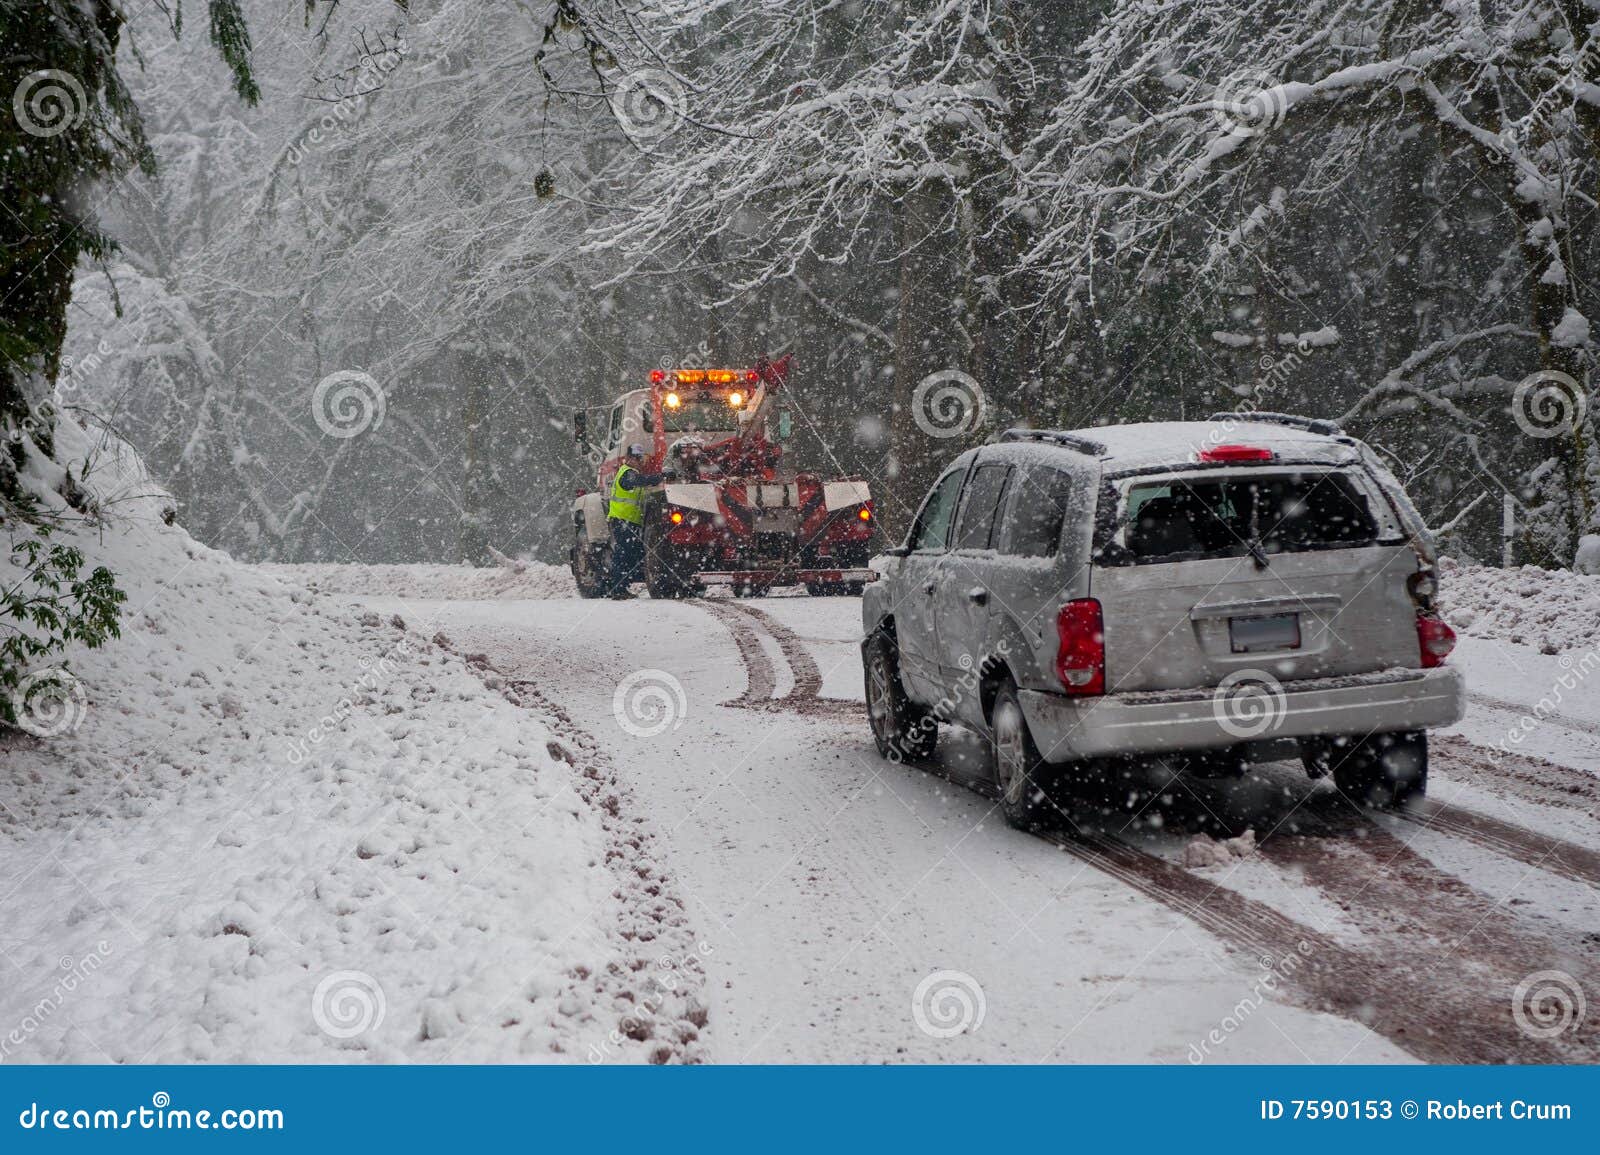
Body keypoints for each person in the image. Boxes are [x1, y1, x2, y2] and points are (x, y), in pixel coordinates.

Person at [606, 443, 662, 598]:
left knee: (629, 554)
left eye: (640, 458)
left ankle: (621, 588)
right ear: (628, 458)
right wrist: (659, 476)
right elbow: (636, 481)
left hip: (629, 521)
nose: (639, 461)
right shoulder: (627, 473)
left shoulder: (633, 473)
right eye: (636, 458)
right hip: (623, 520)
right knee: (623, 554)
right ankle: (618, 589)